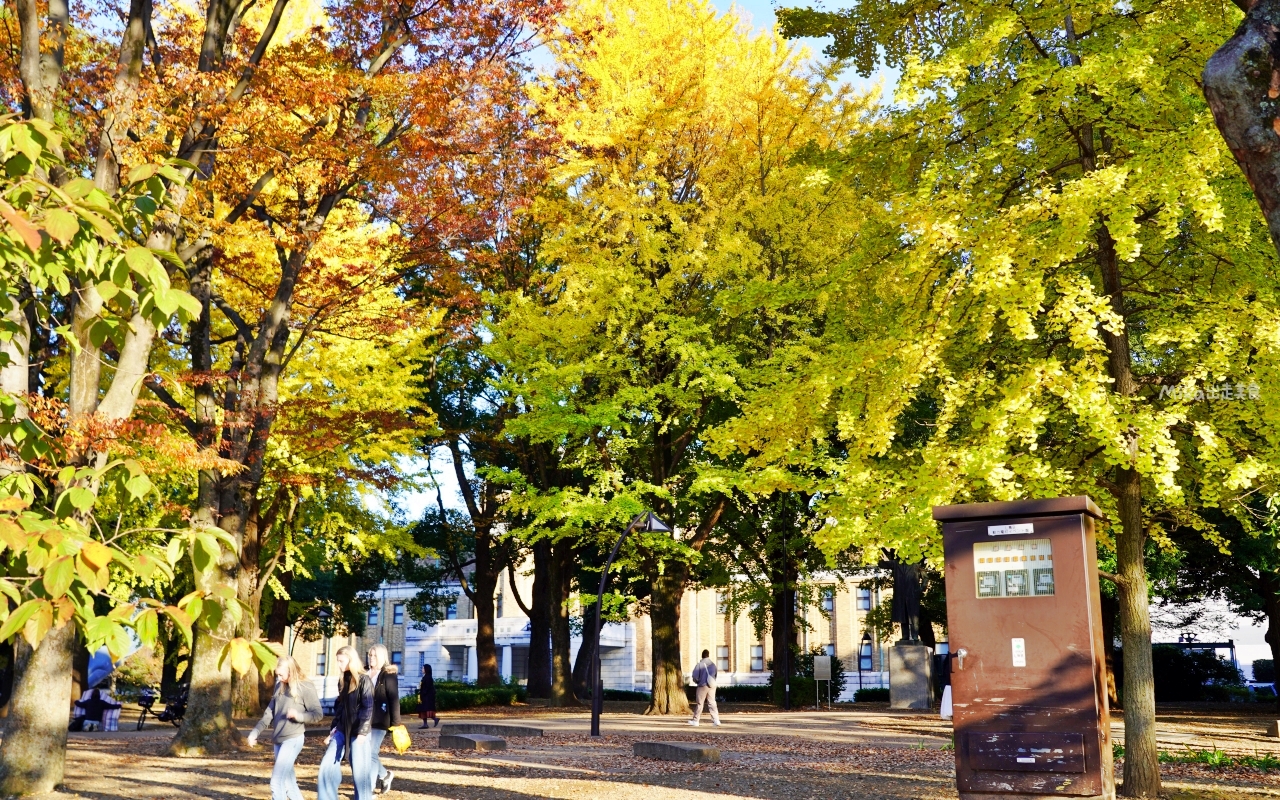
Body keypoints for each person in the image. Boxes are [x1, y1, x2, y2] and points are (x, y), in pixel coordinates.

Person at [247, 656, 323, 800]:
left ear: (291, 671)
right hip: (278, 740)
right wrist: (255, 732)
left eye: (281, 675)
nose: (279, 678)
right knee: (289, 784)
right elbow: (268, 714)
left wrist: (299, 716)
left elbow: (318, 714)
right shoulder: (279, 687)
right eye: (277, 675)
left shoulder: (305, 687)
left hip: (293, 739)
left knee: (276, 783)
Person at [317, 645, 374, 800]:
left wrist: (362, 732)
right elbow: (341, 708)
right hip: (342, 729)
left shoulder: (364, 680)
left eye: (341, 661)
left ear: (351, 659)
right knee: (326, 765)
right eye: (338, 661)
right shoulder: (342, 681)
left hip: (359, 731)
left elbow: (368, 708)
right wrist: (333, 728)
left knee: (360, 773)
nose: (339, 664)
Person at [366, 645, 401, 794]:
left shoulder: (388, 674)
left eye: (374, 655)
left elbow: (394, 699)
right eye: (370, 655)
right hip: (364, 720)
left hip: (380, 719)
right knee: (366, 753)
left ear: (381, 657)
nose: (371, 658)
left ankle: (369, 789)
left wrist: (396, 724)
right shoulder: (365, 673)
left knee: (371, 753)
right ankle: (384, 774)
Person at [688, 649, 720, 727]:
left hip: (702, 685)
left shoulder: (700, 664)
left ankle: (696, 720)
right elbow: (715, 675)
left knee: (700, 703)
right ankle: (716, 720)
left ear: (702, 656)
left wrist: (698, 681)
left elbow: (695, 676)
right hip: (712, 685)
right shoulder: (713, 665)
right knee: (712, 702)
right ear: (708, 655)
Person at [418, 663, 437, 729]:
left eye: (423, 668)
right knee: (423, 710)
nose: (422, 669)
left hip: (427, 697)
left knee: (426, 709)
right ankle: (425, 724)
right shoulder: (426, 677)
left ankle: (434, 719)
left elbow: (427, 687)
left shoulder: (428, 678)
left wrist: (423, 694)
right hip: (425, 696)